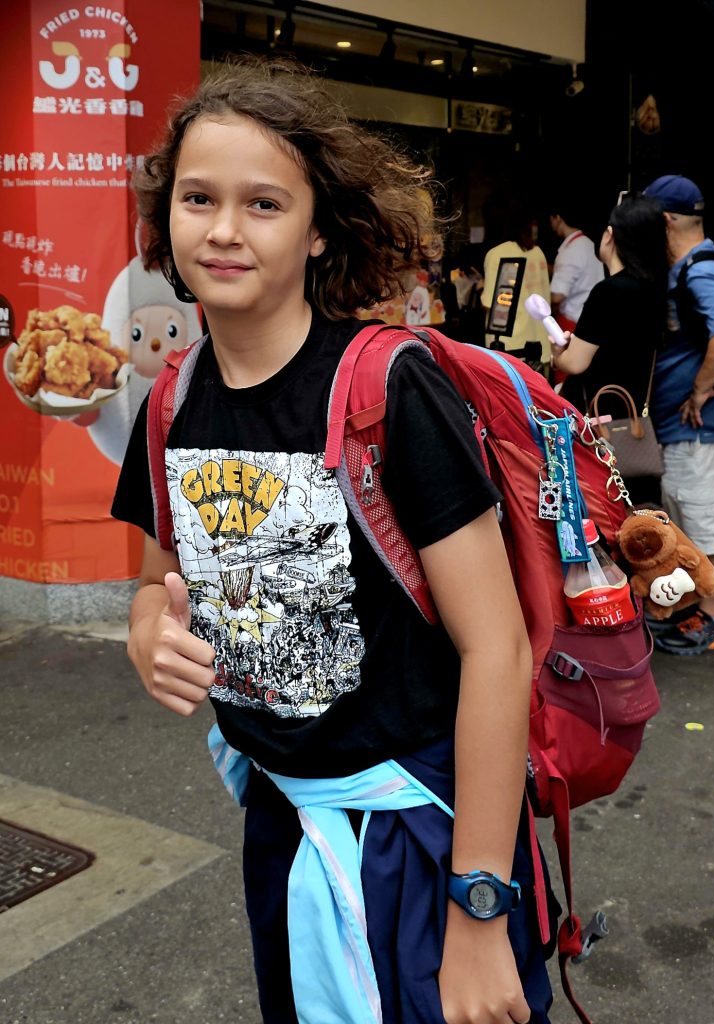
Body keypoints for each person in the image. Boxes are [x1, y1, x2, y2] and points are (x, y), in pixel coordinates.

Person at [111, 57, 555, 1024]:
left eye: (264, 203)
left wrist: (480, 909)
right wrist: (148, 626)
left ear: (318, 231)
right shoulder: (172, 400)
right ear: (166, 218)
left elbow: (498, 647)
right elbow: (158, 576)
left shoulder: (385, 391)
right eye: (198, 197)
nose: (224, 229)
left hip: (421, 838)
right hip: (280, 818)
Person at [643, 173, 714, 654]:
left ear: (665, 220)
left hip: (707, 430)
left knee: (708, 528)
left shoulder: (701, 269)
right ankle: (697, 611)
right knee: (692, 521)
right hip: (693, 432)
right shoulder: (692, 265)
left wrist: (698, 389)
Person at [552, 193, 668, 506]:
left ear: (611, 236)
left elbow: (575, 362)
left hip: (599, 428)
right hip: (636, 427)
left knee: (602, 520)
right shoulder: (656, 290)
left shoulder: (609, 292)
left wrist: (556, 350)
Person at [480, 200, 552, 367]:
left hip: (510, 348)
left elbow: (489, 303)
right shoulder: (537, 252)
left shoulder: (497, 254)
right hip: (540, 343)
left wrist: (480, 287)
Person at [548, 200, 605, 332]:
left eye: (551, 219)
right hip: (589, 319)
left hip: (571, 324)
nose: (551, 225)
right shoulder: (587, 244)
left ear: (557, 218)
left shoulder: (569, 251)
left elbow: (557, 297)